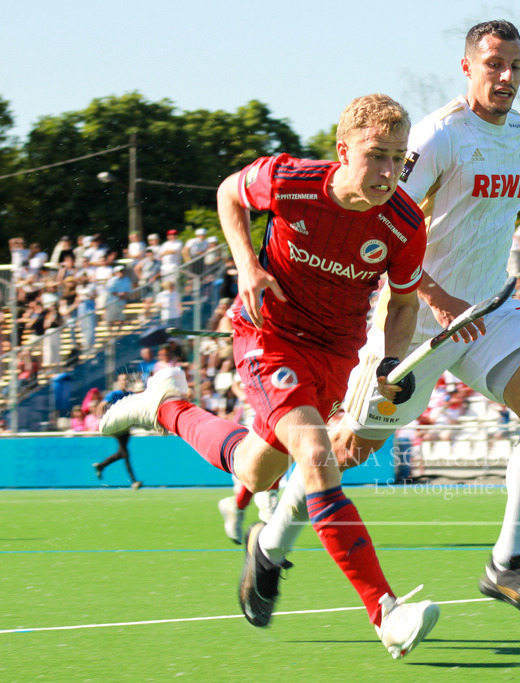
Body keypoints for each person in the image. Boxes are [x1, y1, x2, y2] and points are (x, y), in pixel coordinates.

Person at [252, 20, 520, 624]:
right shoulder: (440, 136)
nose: (507, 77)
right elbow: (384, 225)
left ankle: (508, 564)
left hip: (490, 310)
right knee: (346, 451)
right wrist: (433, 297)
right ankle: (271, 543)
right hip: (418, 320)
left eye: (516, 65)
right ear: (468, 67)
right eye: (494, 64)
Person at [100, 94, 439, 659]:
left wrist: (385, 363)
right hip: (268, 337)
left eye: (398, 158)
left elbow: (403, 305)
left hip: (335, 354)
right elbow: (229, 194)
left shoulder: (404, 224)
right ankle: (386, 611)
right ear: (343, 151)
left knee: (257, 471)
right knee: (316, 455)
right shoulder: (291, 180)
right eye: (375, 155)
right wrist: (248, 267)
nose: (387, 172)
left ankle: (165, 408)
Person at [93, 374, 143, 489]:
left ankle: (101, 466)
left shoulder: (129, 394)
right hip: (117, 426)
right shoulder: (115, 394)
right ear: (119, 382)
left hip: (126, 427)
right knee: (125, 454)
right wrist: (101, 419)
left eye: (126, 380)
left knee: (121, 453)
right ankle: (133, 481)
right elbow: (101, 405)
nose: (125, 382)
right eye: (123, 380)